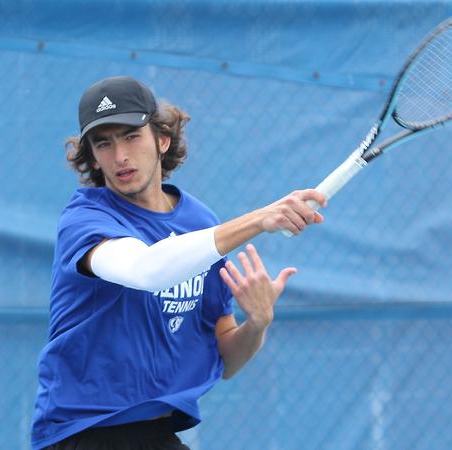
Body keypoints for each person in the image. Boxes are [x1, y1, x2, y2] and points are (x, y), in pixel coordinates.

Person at [31, 76, 326, 450]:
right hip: (83, 435)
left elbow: (228, 360)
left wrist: (257, 323)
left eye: (131, 136)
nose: (120, 156)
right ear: (92, 156)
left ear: (162, 139)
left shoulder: (200, 225)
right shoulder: (85, 219)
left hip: (158, 435)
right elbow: (146, 270)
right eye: (104, 143)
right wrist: (260, 219)